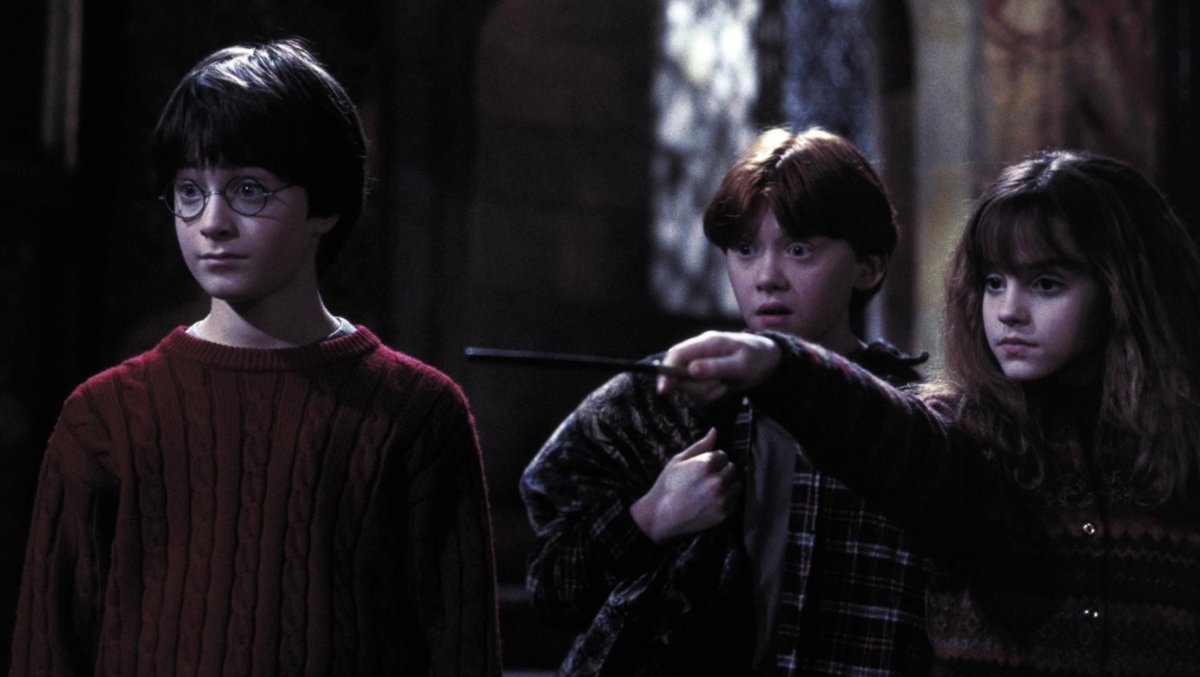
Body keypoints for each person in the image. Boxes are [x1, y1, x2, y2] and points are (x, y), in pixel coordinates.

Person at [9, 39, 501, 676]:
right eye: (189, 190)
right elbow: (48, 651)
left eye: (248, 190)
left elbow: (461, 653)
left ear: (324, 204)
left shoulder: (416, 414)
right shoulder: (104, 418)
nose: (211, 222)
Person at [657, 149, 1200, 675]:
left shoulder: (1181, 443)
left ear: (1122, 288)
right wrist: (779, 363)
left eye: (1046, 284)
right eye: (994, 283)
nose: (1009, 312)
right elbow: (889, 435)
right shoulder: (967, 432)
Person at [520, 127, 930, 675]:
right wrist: (649, 518)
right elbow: (550, 587)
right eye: (745, 249)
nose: (766, 278)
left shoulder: (908, 423)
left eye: (800, 249)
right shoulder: (666, 395)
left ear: (868, 266)